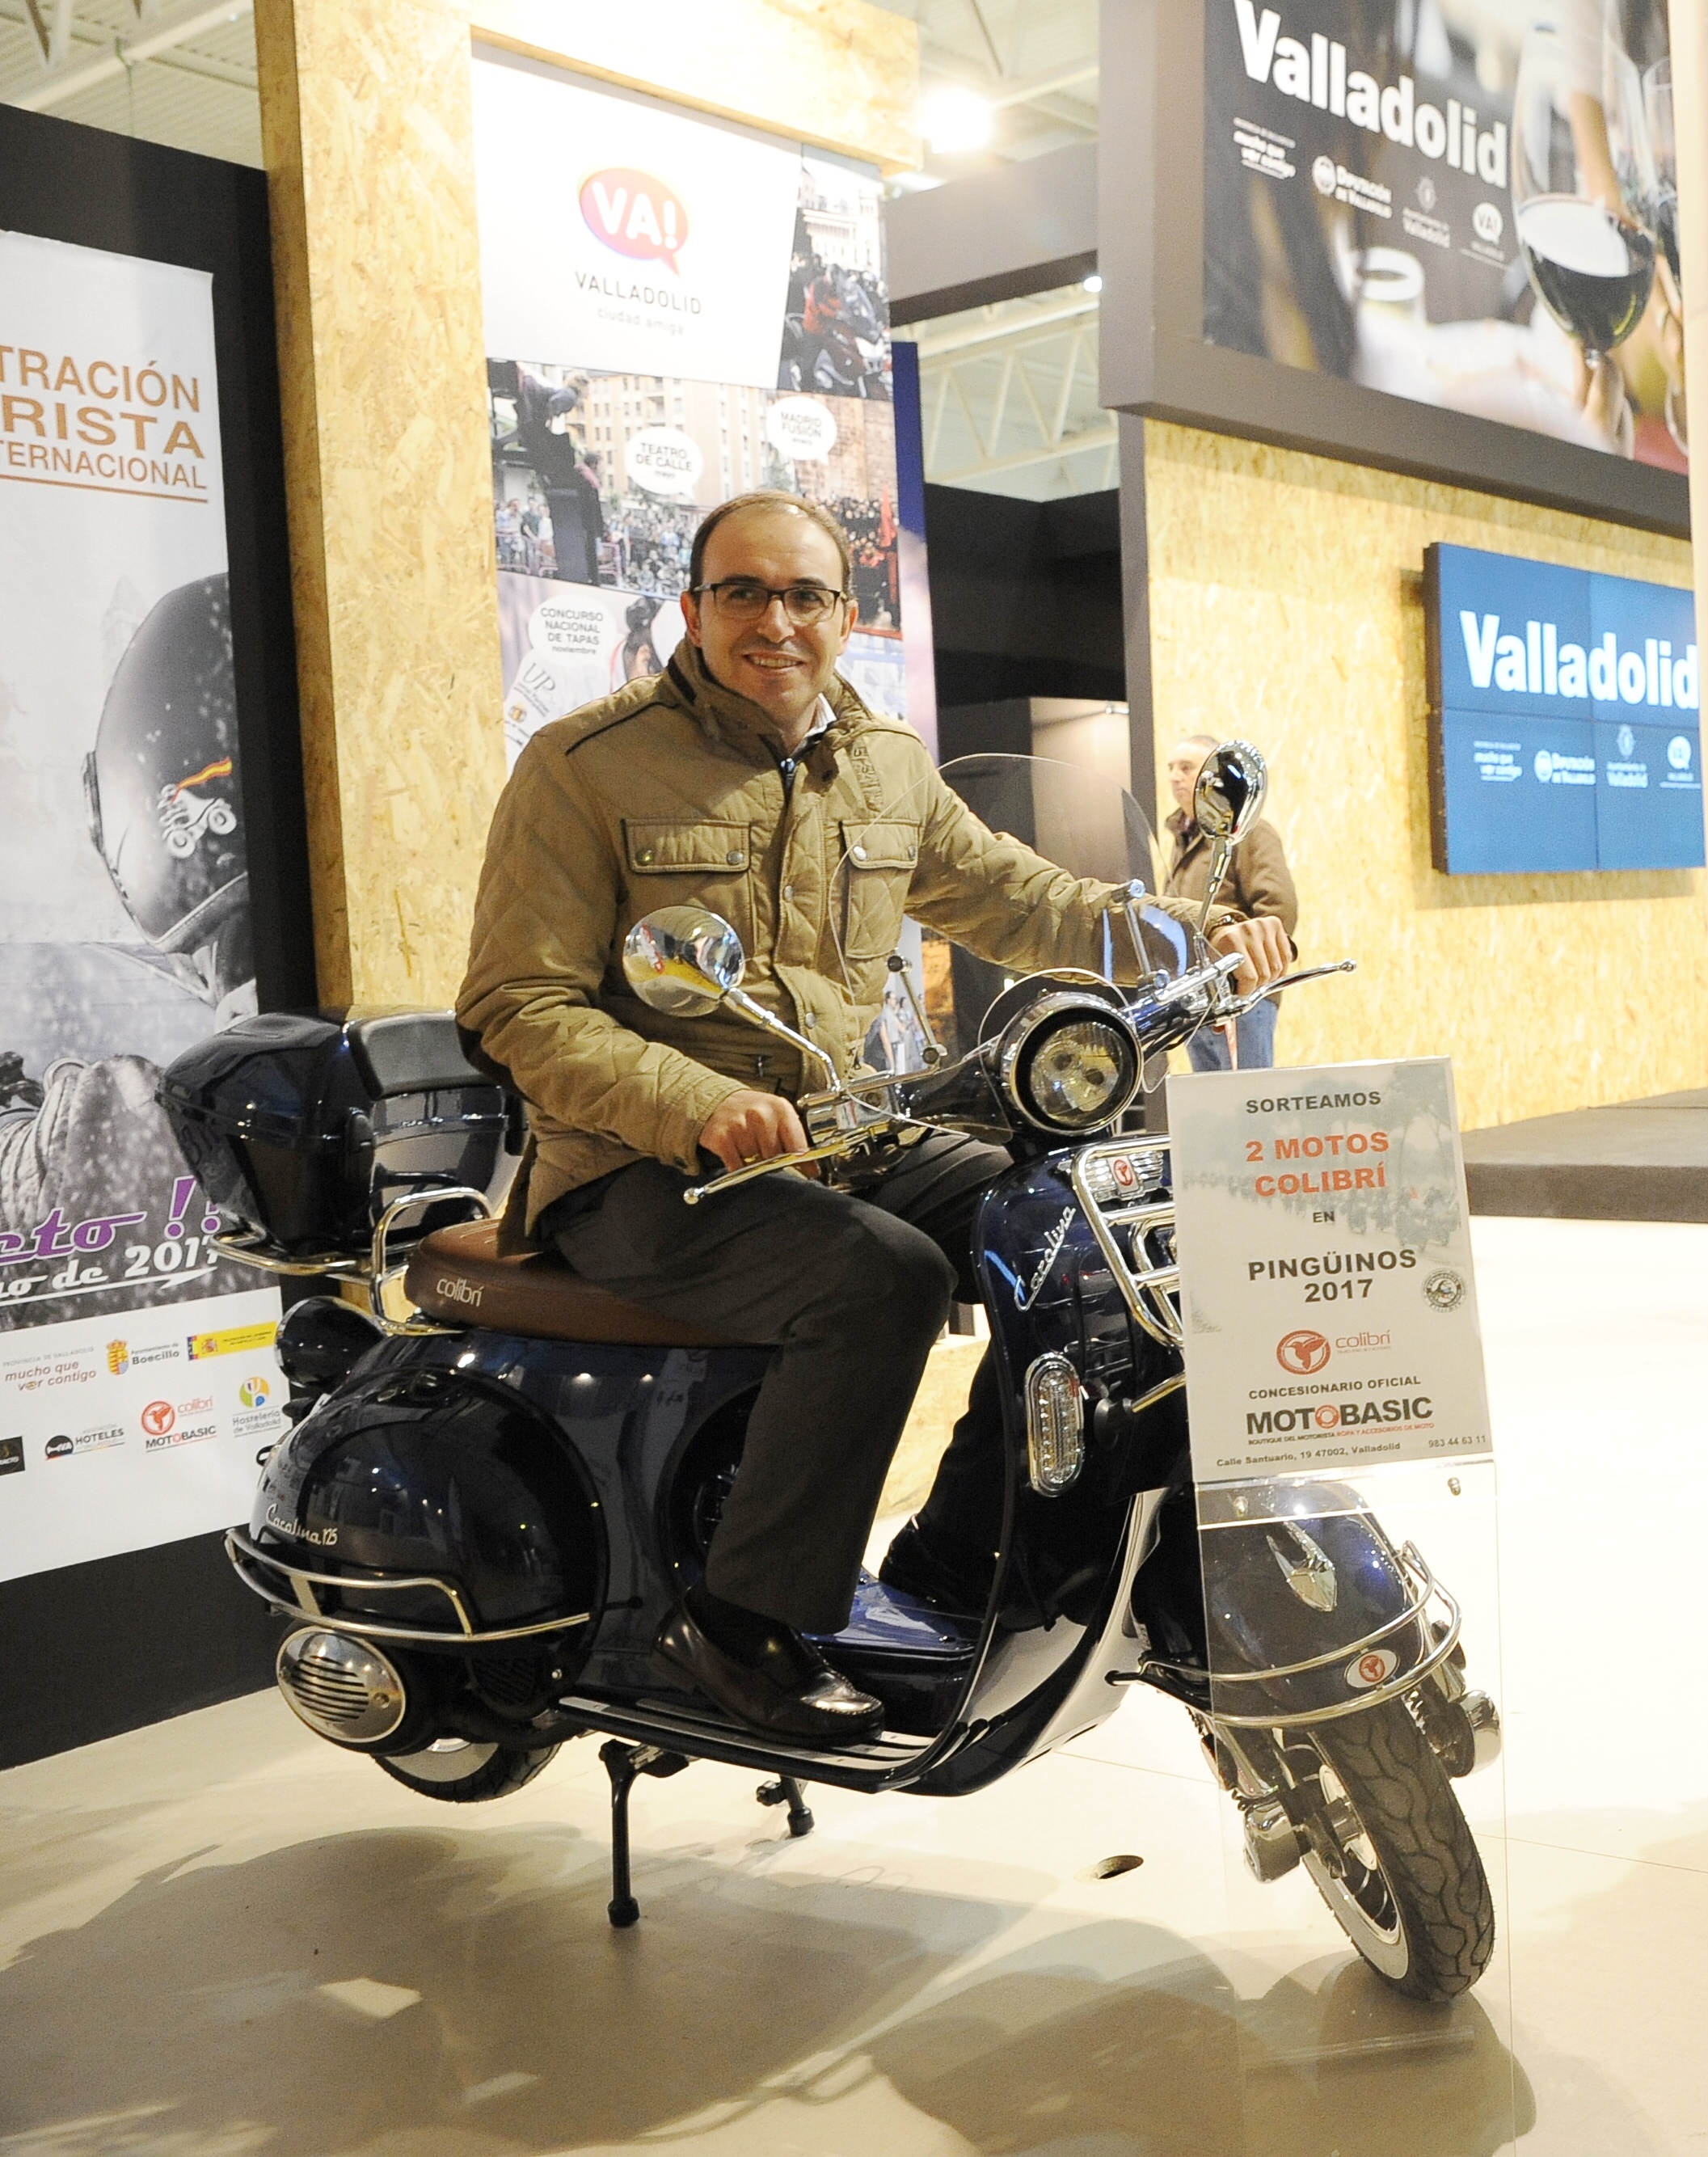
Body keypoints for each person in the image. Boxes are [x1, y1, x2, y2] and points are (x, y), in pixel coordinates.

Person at [460, 490, 1293, 1742]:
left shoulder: (884, 763)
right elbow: (515, 1005)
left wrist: (1196, 935)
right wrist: (698, 1101)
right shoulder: (585, 765)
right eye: (743, 592)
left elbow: (1018, 898)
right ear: (691, 608)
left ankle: (961, 1563)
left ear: (845, 617)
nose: (774, 622)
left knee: (1070, 1225)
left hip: (831, 1140)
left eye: (804, 596)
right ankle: (734, 1624)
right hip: (634, 1167)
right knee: (880, 1280)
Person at [1161, 732, 1301, 1070]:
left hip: (1242, 995)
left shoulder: (1249, 833)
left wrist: (1248, 967)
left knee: (1246, 1096)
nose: (1175, 777)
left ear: (1215, 777)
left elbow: (1278, 906)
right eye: (1171, 768)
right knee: (1211, 1097)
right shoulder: (1183, 839)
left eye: (1186, 768)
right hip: (1194, 998)